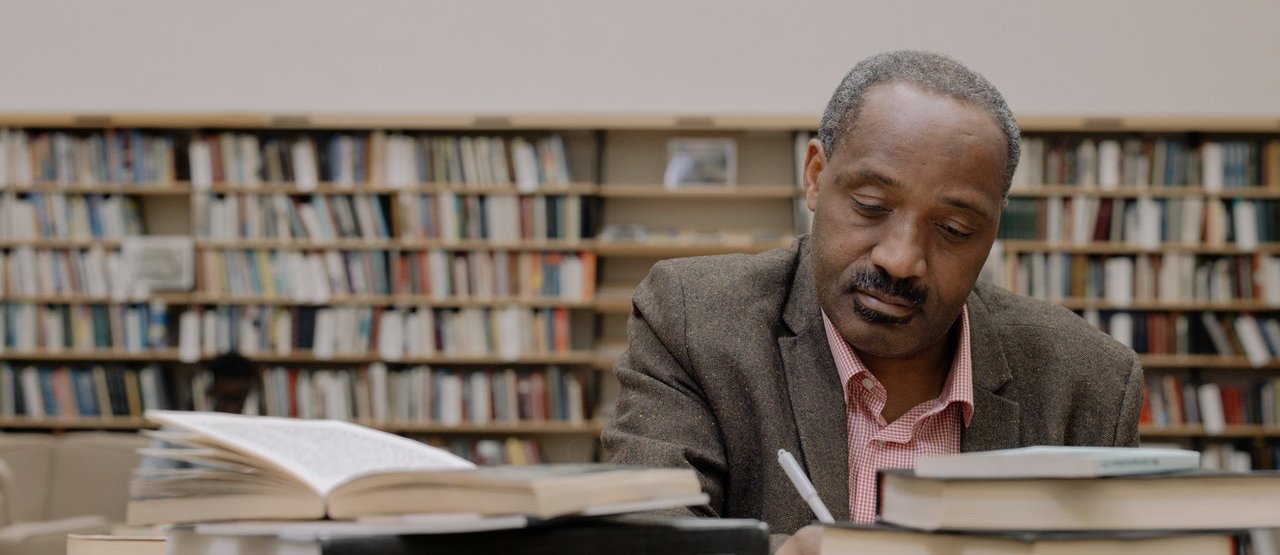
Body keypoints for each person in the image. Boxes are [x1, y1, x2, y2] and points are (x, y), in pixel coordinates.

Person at [601, 50, 1143, 554]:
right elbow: (646, 534)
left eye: (953, 229)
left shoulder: (1088, 381)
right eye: (871, 205)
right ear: (816, 178)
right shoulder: (693, 319)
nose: (902, 259)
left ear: (994, 230)